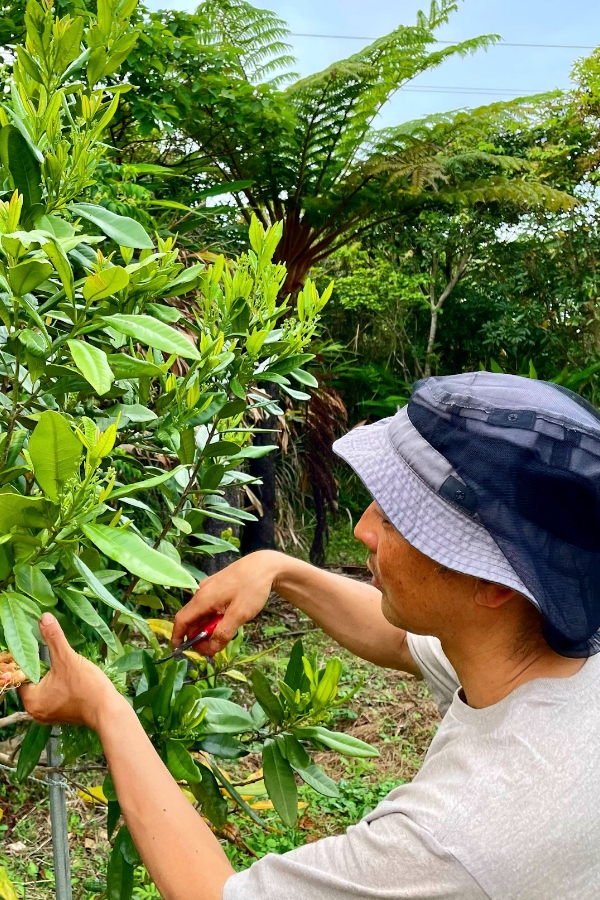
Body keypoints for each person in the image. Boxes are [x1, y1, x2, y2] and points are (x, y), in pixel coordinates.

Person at [20, 372, 600, 900]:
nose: (363, 528)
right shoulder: (555, 657)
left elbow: (211, 895)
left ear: (495, 583)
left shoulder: (456, 841)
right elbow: (401, 641)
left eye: (400, 519)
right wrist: (277, 568)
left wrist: (102, 706)